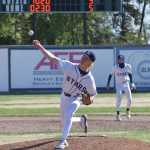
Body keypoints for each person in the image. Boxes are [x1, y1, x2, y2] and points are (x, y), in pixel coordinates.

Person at [33, 40, 97, 149]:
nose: (83, 58)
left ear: (90, 63)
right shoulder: (70, 66)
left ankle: (62, 141)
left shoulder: (90, 80)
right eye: (83, 56)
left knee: (67, 115)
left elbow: (93, 95)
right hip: (64, 96)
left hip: (75, 99)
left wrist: (89, 100)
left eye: (86, 58)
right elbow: (52, 59)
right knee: (64, 120)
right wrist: (40, 47)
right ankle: (81, 120)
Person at [106, 55, 135, 121]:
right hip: (118, 84)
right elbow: (110, 75)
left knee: (130, 99)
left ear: (123, 60)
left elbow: (130, 74)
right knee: (119, 98)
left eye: (119, 59)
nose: (118, 60)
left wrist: (132, 83)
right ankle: (118, 114)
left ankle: (127, 111)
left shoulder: (128, 66)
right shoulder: (115, 67)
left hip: (126, 83)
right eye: (118, 59)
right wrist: (108, 83)